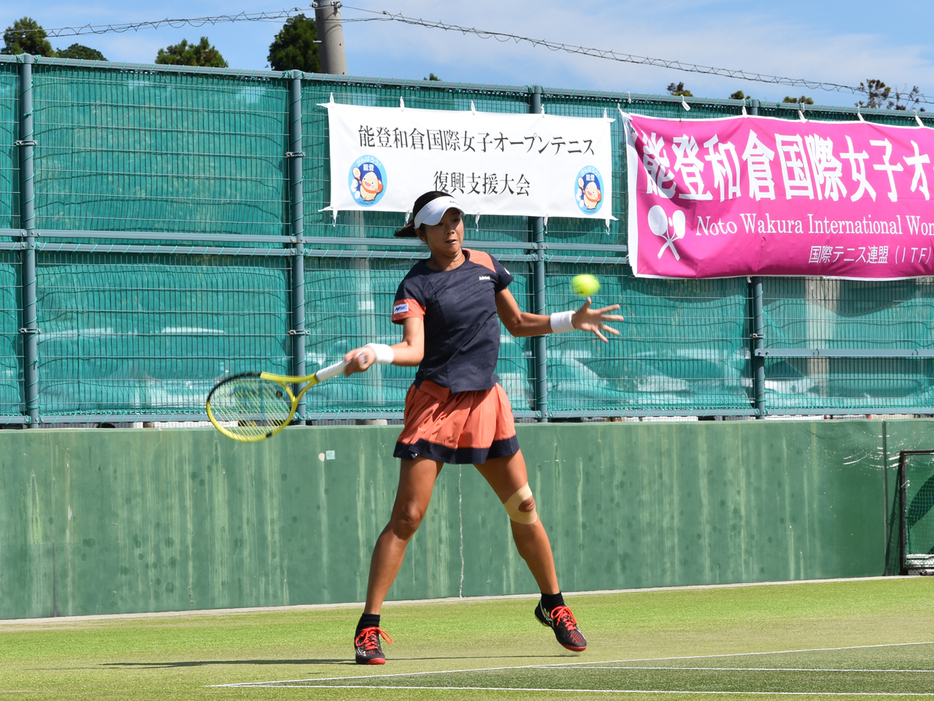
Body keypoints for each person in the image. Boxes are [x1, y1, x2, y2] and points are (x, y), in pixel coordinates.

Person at [343, 190, 624, 665]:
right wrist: (379, 352)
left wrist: (568, 320)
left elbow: (516, 323)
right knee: (408, 518)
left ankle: (554, 605)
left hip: (487, 403)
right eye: (440, 222)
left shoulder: (486, 263)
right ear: (422, 232)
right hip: (435, 406)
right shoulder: (414, 286)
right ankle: (367, 628)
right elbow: (413, 348)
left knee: (524, 505)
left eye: (456, 218)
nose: (452, 228)